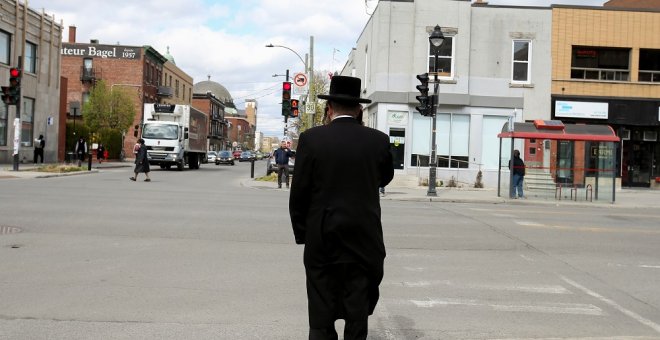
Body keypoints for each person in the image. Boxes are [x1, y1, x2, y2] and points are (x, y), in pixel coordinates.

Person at [289, 76, 394, 340]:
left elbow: (299, 193)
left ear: (329, 109)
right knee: (357, 312)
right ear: (359, 110)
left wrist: (304, 233)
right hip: (363, 237)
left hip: (322, 237)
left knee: (321, 312)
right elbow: (385, 177)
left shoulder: (311, 139)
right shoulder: (378, 141)